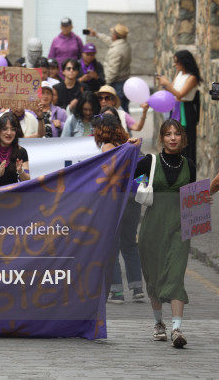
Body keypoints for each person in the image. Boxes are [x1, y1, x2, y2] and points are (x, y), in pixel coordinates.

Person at [136, 120, 197, 348]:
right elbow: (126, 173)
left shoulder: (190, 165)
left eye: (177, 134)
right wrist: (132, 147)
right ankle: (158, 323)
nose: (173, 138)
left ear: (183, 138)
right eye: (168, 134)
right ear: (161, 138)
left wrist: (203, 199)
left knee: (175, 276)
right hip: (152, 229)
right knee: (153, 277)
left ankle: (177, 329)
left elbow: (191, 196)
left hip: (179, 228)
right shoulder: (150, 162)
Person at [91, 112, 144, 305]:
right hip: (133, 198)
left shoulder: (107, 147)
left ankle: (117, 292)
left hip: (116, 198)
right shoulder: (130, 144)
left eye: (95, 129)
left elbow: (109, 175)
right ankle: (137, 288)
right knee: (130, 243)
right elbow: (143, 170)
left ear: (102, 130)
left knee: (111, 243)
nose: (93, 132)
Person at [155, 49, 201, 164]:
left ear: (184, 62)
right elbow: (174, 92)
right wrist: (166, 87)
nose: (175, 64)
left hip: (186, 109)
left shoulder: (192, 78)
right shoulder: (179, 74)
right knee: (173, 134)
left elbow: (180, 94)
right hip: (175, 108)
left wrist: (166, 84)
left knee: (186, 139)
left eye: (177, 62)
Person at [87, 23, 131, 112]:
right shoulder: (124, 44)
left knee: (118, 110)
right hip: (124, 81)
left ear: (115, 35)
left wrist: (105, 84)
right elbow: (109, 41)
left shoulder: (116, 50)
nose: (111, 35)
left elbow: (113, 71)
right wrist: (97, 35)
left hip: (116, 84)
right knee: (124, 108)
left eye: (112, 33)